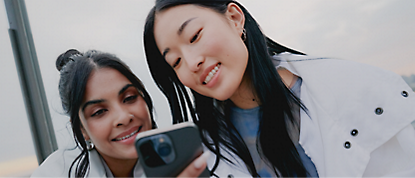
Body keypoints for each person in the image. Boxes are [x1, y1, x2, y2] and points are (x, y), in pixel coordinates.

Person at [143, 0, 415, 177]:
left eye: (194, 36)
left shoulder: (351, 88)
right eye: (175, 61)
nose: (192, 63)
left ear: (235, 18)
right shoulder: (206, 155)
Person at [31, 49, 209, 178]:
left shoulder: (185, 160)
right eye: (100, 112)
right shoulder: (54, 174)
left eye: (130, 98)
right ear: (81, 129)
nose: (123, 117)